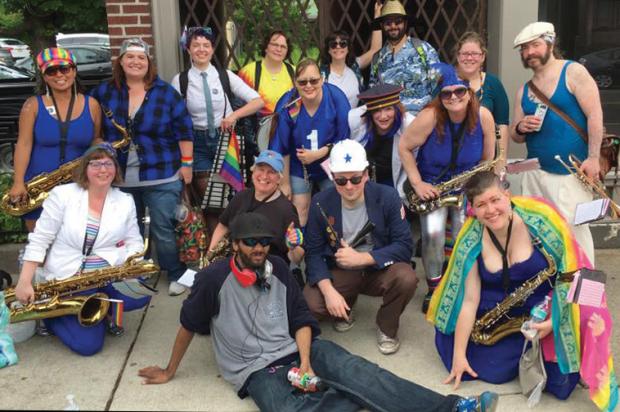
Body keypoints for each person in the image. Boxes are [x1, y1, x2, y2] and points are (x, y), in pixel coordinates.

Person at [138, 212, 499, 412]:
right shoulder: (212, 279)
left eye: (264, 242)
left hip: (298, 349)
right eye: (251, 242)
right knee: (293, 411)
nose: (259, 248)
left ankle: (455, 409)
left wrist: (306, 362)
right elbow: (188, 324)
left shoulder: (278, 267)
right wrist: (170, 370)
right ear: (235, 244)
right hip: (254, 370)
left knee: (364, 374)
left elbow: (300, 318)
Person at [427, 170, 618, 412]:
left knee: (562, 382)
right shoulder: (471, 236)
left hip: (547, 306)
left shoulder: (542, 217)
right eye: (481, 204)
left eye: (495, 199)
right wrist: (459, 355)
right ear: (473, 209)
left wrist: (554, 321)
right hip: (496, 312)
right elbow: (469, 300)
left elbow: (574, 271)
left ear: (507, 195)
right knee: (490, 370)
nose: (491, 210)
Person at [13, 143, 151, 356]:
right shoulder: (62, 195)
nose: (103, 169)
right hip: (70, 278)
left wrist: (135, 268)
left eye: (108, 163)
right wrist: (24, 281)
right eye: (95, 164)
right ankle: (52, 318)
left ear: (115, 169)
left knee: (141, 295)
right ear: (84, 168)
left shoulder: (124, 200)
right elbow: (40, 239)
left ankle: (100, 309)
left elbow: (133, 240)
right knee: (88, 347)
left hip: (106, 274)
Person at [90, 38, 194, 297]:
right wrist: (98, 142)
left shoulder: (166, 92)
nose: (136, 62)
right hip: (120, 175)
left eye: (141, 58)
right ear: (121, 61)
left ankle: (175, 272)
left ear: (149, 63)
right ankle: (138, 270)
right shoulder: (103, 93)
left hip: (162, 172)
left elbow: (184, 130)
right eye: (130, 57)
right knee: (128, 228)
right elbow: (91, 125)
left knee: (164, 227)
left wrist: (187, 164)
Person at [303, 140, 416, 355]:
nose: (349, 186)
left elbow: (404, 246)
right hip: (342, 270)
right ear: (332, 178)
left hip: (378, 268)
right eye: (341, 180)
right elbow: (313, 252)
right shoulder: (320, 202)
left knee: (406, 277)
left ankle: (387, 327)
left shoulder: (388, 196)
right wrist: (329, 293)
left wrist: (363, 259)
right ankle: (345, 304)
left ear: (366, 174)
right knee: (311, 303)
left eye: (355, 178)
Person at [398, 63, 495, 313]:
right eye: (446, 93)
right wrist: (418, 183)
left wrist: (477, 192)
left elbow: (486, 161)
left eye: (459, 91)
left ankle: (460, 284)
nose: (453, 97)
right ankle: (435, 288)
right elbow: (404, 147)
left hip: (466, 187)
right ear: (439, 97)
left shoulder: (483, 116)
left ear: (469, 92)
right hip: (434, 187)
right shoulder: (430, 116)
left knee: (465, 234)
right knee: (432, 234)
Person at [510, 22, 603, 264]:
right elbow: (515, 135)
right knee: (538, 235)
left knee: (576, 236)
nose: (529, 52)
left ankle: (584, 297)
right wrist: (521, 127)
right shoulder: (524, 90)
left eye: (535, 45)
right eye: (524, 49)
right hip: (534, 174)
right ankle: (551, 291)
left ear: (550, 43)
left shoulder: (573, 72)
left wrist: (593, 158)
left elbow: (595, 114)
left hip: (571, 173)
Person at [172, 26, 264, 232]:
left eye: (206, 45)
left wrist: (233, 116)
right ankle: (215, 252)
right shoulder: (181, 80)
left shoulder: (225, 77)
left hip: (226, 141)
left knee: (230, 198)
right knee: (210, 202)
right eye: (196, 45)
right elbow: (175, 117)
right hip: (198, 144)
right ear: (188, 49)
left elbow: (258, 101)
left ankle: (233, 246)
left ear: (213, 49)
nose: (201, 49)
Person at [9, 47, 101, 232]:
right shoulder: (32, 105)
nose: (59, 74)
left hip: (79, 184)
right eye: (51, 70)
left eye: (64, 68)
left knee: (78, 241)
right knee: (41, 247)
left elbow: (96, 140)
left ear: (74, 71)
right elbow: (24, 144)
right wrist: (18, 182)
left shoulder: (92, 104)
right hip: (39, 186)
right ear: (44, 76)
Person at [269, 58, 351, 226]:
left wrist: (321, 153)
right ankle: (301, 251)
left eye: (314, 80)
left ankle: (333, 249)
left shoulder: (336, 98)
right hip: (299, 166)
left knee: (334, 208)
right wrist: (284, 184)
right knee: (300, 210)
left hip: (330, 162)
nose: (308, 86)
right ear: (295, 83)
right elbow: (281, 146)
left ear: (322, 79)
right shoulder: (288, 104)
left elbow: (345, 139)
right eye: (302, 81)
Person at [208, 149, 305, 267]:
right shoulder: (241, 197)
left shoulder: (287, 210)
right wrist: (210, 255)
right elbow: (223, 225)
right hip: (234, 265)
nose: (264, 176)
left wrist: (292, 247)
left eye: (271, 172)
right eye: (261, 169)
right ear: (253, 172)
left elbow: (297, 259)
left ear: (279, 178)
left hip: (267, 271)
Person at [369, 0, 440, 115]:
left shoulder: (424, 49)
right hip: (389, 122)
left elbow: (438, 86)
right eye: (388, 23)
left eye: (398, 22)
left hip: (420, 119)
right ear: (382, 26)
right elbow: (374, 94)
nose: (393, 26)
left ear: (405, 23)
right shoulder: (378, 58)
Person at [454, 32, 509, 168]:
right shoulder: (447, 83)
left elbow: (502, 125)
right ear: (457, 56)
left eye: (475, 54)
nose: (469, 58)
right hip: (452, 159)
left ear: (483, 57)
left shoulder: (493, 83)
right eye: (464, 53)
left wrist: (500, 164)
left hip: (486, 159)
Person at [349, 83, 414, 195]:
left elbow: (412, 166)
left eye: (388, 109)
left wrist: (398, 195)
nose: (383, 116)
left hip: (394, 181)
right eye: (377, 111)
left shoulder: (409, 125)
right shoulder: (354, 120)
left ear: (397, 109)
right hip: (363, 182)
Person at [319, 2, 383, 108]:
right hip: (332, 122)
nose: (338, 47)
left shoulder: (355, 66)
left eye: (343, 44)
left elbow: (375, 49)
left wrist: (377, 17)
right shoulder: (321, 73)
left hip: (355, 120)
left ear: (348, 48)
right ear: (328, 50)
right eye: (333, 44)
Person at [238, 30, 295, 118]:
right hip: (258, 128)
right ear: (266, 47)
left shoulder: (295, 72)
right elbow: (238, 104)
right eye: (275, 45)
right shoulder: (248, 72)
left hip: (289, 126)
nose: (279, 49)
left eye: (283, 47)